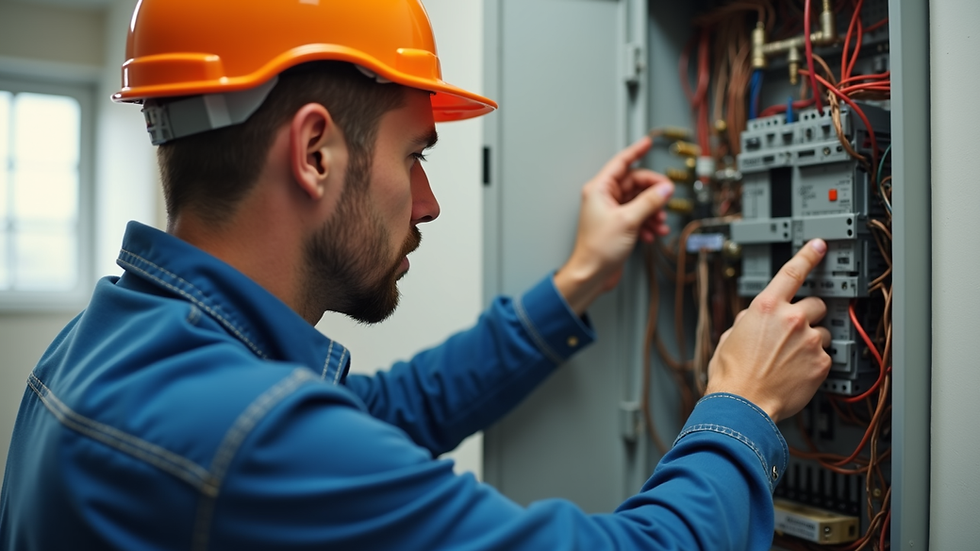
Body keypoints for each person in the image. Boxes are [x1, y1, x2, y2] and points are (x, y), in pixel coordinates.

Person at [0, 1, 832, 549]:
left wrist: (575, 281)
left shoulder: (110, 345)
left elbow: (392, 412)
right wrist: (741, 405)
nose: (429, 203)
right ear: (315, 152)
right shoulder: (242, 437)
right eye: (415, 156)